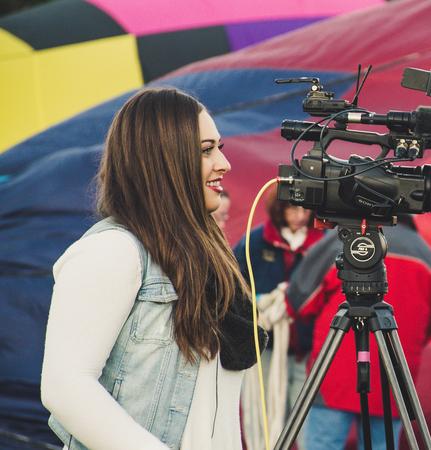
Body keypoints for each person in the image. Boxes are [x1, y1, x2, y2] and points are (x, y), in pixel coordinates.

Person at [40, 87, 265, 450]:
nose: (224, 163)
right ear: (163, 159)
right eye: (206, 150)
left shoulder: (206, 256)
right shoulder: (112, 251)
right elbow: (65, 387)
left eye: (219, 148)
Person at [285, 216, 431, 450]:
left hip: (333, 376)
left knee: (323, 444)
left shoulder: (345, 241)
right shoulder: (424, 253)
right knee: (381, 444)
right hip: (392, 382)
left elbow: (299, 301)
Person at [232, 198, 323, 448]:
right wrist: (262, 303)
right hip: (267, 346)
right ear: (280, 209)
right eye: (293, 208)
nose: (300, 215)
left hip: (306, 349)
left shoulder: (321, 243)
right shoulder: (257, 240)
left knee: (307, 412)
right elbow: (234, 282)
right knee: (266, 411)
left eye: (305, 208)